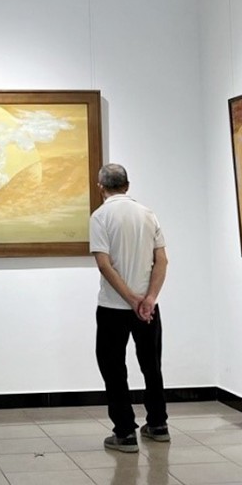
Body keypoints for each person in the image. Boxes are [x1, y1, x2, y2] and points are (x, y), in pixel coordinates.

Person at [89, 163, 169, 454]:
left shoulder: (100, 216)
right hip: (148, 308)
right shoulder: (148, 214)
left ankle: (124, 432)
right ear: (127, 185)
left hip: (113, 307)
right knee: (151, 366)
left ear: (101, 187)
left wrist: (130, 299)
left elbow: (104, 264)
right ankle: (158, 425)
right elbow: (162, 260)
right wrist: (149, 298)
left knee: (113, 368)